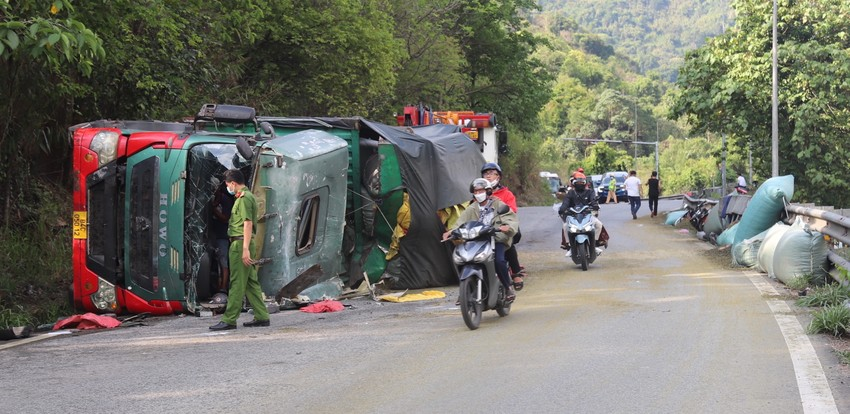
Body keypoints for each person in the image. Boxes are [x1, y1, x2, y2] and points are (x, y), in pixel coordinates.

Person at [210, 169, 270, 331]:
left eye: (228, 184)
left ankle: (229, 319)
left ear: (233, 183)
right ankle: (262, 316)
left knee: (236, 282)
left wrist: (244, 249)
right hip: (242, 243)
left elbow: (247, 223)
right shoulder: (247, 196)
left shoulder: (243, 198)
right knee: (250, 282)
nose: (228, 187)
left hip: (240, 244)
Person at [443, 178, 519, 301]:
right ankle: (465, 291)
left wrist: (507, 227)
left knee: (499, 261)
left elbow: (510, 219)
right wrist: (451, 231)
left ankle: (507, 288)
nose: (478, 194)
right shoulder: (471, 208)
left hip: (495, 239)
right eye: (476, 191)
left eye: (481, 191)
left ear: (488, 191)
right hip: (476, 240)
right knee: (461, 259)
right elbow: (460, 222)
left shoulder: (498, 204)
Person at [481, 162, 525, 291]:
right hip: (484, 228)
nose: (488, 176)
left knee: (507, 242)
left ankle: (515, 273)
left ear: (498, 177)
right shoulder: (479, 193)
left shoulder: (506, 194)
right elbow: (472, 211)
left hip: (503, 226)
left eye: (492, 173)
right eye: (486, 173)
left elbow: (511, 211)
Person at [557, 173, 604, 257]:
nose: (580, 184)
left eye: (582, 182)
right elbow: (565, 203)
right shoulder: (570, 193)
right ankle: (570, 246)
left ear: (585, 183)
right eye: (577, 182)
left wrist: (595, 205)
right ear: (573, 183)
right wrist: (562, 209)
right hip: (573, 216)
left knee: (599, 225)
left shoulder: (590, 192)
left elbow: (593, 201)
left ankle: (594, 244)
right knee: (565, 226)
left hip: (587, 215)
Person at [210, 181, 235, 293]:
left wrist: (213, 210)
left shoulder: (226, 200)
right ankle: (219, 285)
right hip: (214, 235)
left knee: (223, 261)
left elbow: (225, 218)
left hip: (223, 235)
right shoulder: (216, 200)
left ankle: (223, 287)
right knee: (217, 260)